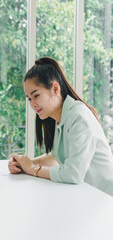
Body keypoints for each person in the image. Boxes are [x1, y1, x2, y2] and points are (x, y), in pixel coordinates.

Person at [8, 57, 113, 196]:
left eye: (36, 95)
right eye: (29, 98)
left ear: (55, 89)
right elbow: (55, 157)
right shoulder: (60, 119)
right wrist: (23, 164)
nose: (32, 104)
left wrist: (32, 168)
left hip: (105, 201)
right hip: (87, 196)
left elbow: (73, 173)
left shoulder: (78, 116)